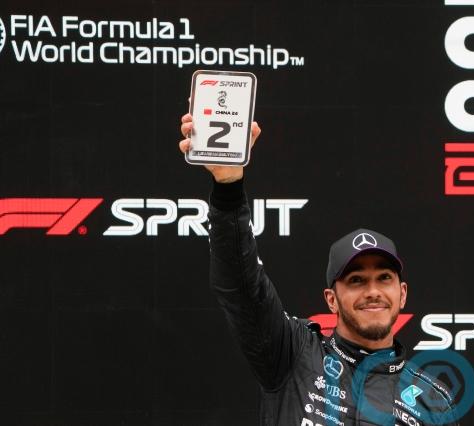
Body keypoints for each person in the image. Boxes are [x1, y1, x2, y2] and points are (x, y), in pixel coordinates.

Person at [179, 114, 459, 426]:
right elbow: (241, 285)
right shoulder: (293, 354)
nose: (373, 291)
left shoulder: (433, 401)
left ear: (402, 293)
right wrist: (228, 186)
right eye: (356, 280)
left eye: (384, 278)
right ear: (331, 299)